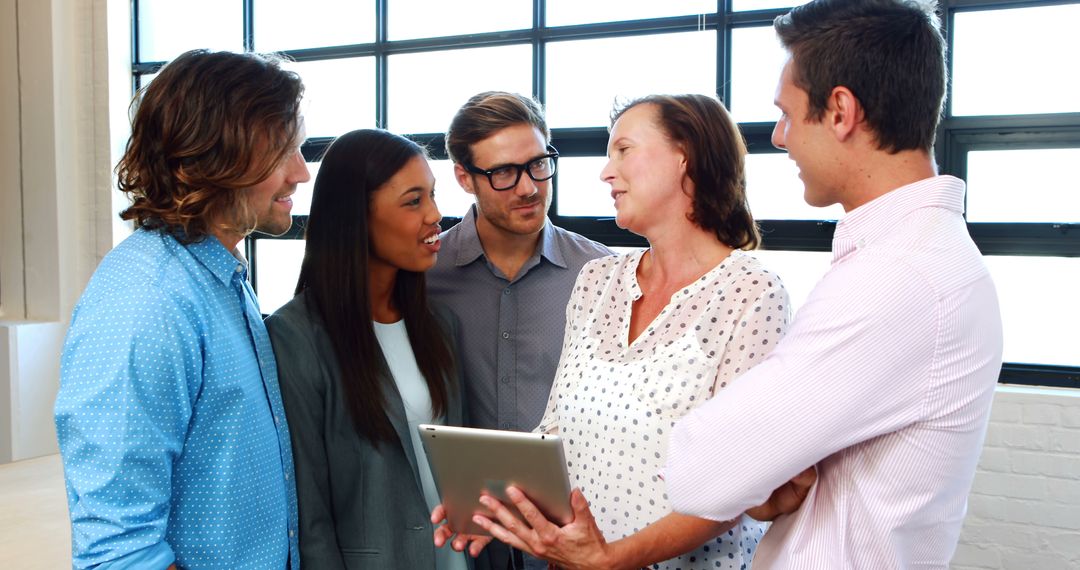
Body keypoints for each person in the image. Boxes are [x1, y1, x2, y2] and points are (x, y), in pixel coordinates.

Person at [662, 1, 1005, 568]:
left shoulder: (898, 277)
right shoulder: (921, 257)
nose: (779, 137)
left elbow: (700, 472)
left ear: (841, 110)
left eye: (789, 114)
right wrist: (767, 474)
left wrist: (749, 467)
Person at [436, 94, 814, 570]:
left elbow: (738, 483)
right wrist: (488, 500)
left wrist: (611, 559)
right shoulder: (598, 279)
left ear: (685, 157)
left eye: (623, 150)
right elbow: (554, 432)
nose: (605, 172)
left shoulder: (751, 292)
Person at [54, 49, 307, 569]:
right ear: (218, 155)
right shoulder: (146, 301)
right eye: (285, 152)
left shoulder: (218, 275)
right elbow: (120, 551)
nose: (301, 173)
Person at [265, 129, 469, 570]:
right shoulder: (295, 337)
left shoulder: (440, 326)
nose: (436, 215)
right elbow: (309, 517)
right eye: (413, 201)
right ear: (357, 215)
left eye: (432, 196)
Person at [427, 91, 613, 569]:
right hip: (460, 539)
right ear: (464, 178)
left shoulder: (603, 274)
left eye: (538, 165)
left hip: (572, 539)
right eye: (504, 173)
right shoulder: (424, 277)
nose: (529, 188)